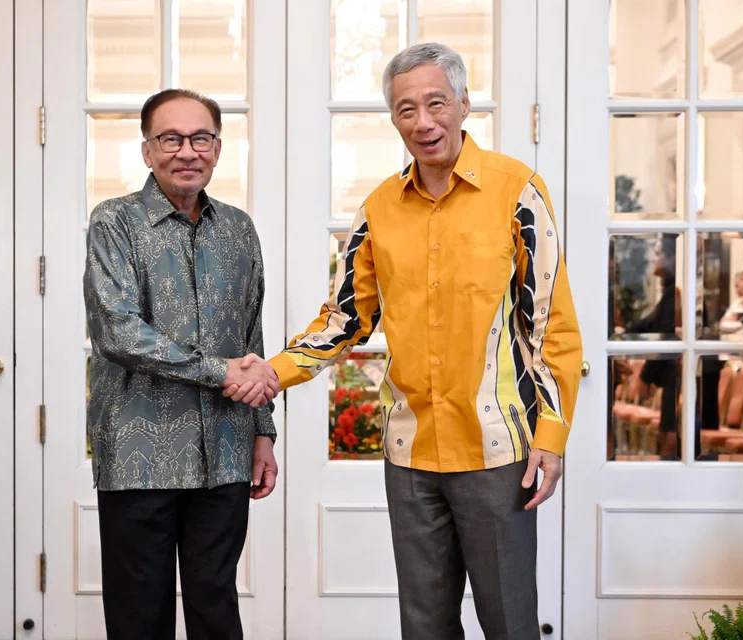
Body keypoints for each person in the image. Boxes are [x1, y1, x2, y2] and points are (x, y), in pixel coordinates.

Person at [226, 43, 583, 638]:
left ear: (465, 104)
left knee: (509, 621)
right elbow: (345, 319)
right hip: (411, 453)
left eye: (436, 103)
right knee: (424, 625)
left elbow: (551, 323)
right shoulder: (378, 209)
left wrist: (552, 434)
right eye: (405, 110)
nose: (423, 122)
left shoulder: (516, 191)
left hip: (499, 453)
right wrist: (272, 370)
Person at [83, 88, 280, 640]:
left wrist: (263, 432)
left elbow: (251, 337)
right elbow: (117, 332)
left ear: (218, 148)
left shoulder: (240, 229)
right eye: (171, 139)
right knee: (138, 615)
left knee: (216, 606)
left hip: (224, 448)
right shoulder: (114, 224)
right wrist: (221, 372)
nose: (187, 151)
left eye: (201, 138)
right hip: (138, 454)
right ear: (147, 150)